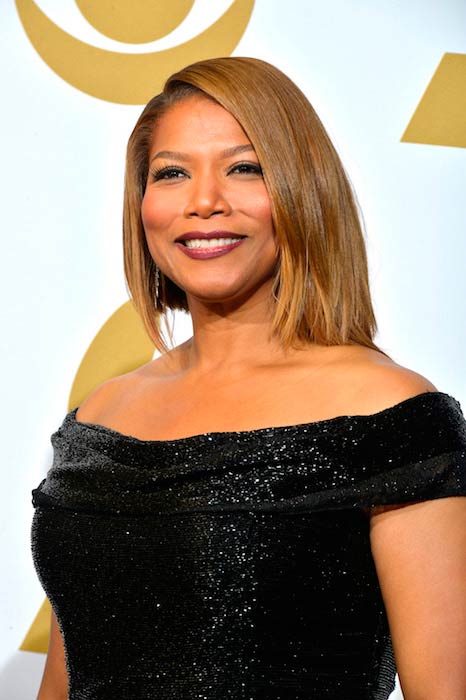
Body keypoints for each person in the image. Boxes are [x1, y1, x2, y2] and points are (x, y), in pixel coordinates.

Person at [31, 56, 466, 700]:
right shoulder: (103, 414)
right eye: (172, 173)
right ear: (143, 203)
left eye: (245, 168)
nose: (204, 201)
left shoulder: (392, 415)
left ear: (302, 190)